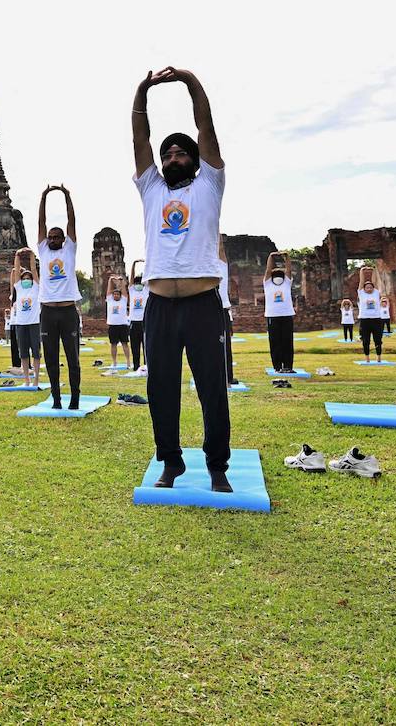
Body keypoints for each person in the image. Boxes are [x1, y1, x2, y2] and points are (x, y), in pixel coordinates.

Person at [131, 66, 232, 492]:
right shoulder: (152, 188)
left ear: (194, 159)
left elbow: (204, 124)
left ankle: (217, 466)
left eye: (179, 153)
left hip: (202, 304)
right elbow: (140, 140)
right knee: (162, 389)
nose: (171, 157)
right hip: (158, 306)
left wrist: (190, 81)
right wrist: (141, 94)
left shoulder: (209, 184)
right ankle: (170, 461)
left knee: (212, 387)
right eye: (167, 154)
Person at [37, 184, 81, 408]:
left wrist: (66, 196)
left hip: (67, 311)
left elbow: (71, 222)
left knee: (73, 358)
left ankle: (75, 397)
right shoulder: (43, 250)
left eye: (57, 237)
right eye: (51, 237)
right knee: (51, 358)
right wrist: (44, 197)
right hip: (47, 311)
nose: (53, 239)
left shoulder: (69, 250)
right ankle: (56, 398)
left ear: (64, 239)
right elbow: (41, 223)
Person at [9, 248, 42, 387]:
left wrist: (31, 255)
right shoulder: (19, 288)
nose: (27, 280)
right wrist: (17, 255)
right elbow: (16, 270)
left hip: (34, 323)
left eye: (29, 278)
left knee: (36, 352)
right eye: (24, 278)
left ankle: (36, 379)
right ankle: (27, 379)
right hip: (20, 324)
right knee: (23, 353)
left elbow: (33, 270)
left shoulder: (36, 288)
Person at [263, 251, 295, 373]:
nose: (277, 277)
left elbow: (288, 270)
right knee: (275, 342)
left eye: (279, 275)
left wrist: (287, 257)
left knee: (287, 341)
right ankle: (277, 367)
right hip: (272, 316)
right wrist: (271, 256)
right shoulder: (267, 284)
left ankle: (288, 366)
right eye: (275, 275)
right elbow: (268, 270)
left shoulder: (286, 283)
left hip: (287, 315)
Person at [218, 239, 239, 386]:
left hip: (221, 309)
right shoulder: (199, 265)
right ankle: (212, 378)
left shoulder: (221, 266)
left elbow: (220, 250)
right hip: (204, 308)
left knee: (225, 347)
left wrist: (215, 230)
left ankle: (227, 378)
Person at [355, 268, 385, 362]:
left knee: (378, 340)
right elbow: (361, 281)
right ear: (364, 288)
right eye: (367, 287)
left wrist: (374, 270)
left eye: (370, 287)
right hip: (365, 320)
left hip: (376, 319)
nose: (369, 288)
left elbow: (374, 281)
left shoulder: (376, 293)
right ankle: (367, 358)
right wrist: (362, 271)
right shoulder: (361, 293)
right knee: (366, 340)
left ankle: (379, 357)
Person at [126, 260, 148, 373]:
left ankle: (146, 366)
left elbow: (147, 277)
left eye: (140, 283)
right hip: (133, 322)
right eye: (136, 283)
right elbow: (131, 279)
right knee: (135, 347)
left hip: (144, 322)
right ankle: (136, 367)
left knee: (146, 347)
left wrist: (146, 264)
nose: (138, 285)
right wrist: (133, 264)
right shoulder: (132, 291)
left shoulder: (146, 290)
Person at [105, 276, 131, 369]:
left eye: (117, 294)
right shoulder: (110, 300)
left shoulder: (123, 300)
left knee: (125, 344)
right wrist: (110, 280)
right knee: (113, 344)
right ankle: (114, 362)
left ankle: (128, 362)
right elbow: (109, 290)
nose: (116, 295)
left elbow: (124, 291)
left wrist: (122, 281)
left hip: (123, 325)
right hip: (112, 326)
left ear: (120, 295)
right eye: (114, 294)